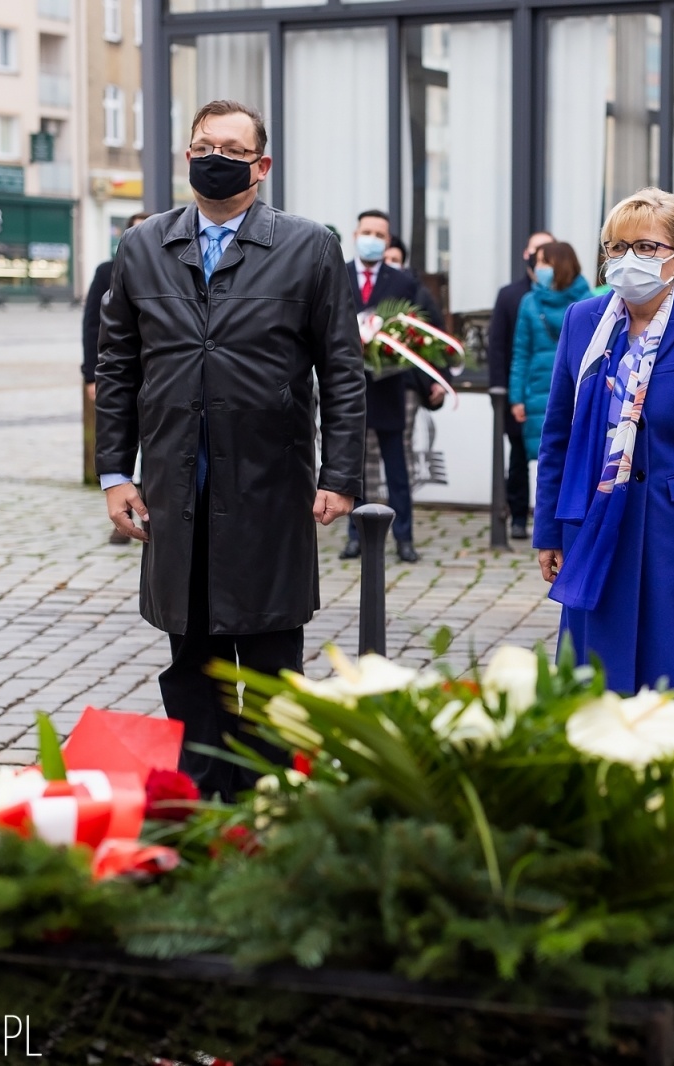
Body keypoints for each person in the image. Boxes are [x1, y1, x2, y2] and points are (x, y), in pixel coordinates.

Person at [95, 100, 367, 799]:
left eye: (231, 148)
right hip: (174, 488)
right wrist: (114, 473)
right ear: (187, 157)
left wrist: (339, 474)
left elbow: (341, 368)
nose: (215, 157)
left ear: (262, 165)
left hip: (269, 485)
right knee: (190, 660)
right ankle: (204, 795)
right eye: (202, 145)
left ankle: (271, 797)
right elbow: (118, 367)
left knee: (272, 658)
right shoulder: (143, 246)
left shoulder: (309, 248)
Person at [532, 188, 674, 720]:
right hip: (594, 524)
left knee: (673, 696)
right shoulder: (583, 322)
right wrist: (549, 532)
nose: (630, 259)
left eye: (647, 247)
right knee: (595, 694)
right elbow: (557, 431)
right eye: (617, 246)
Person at [340, 209, 447, 564]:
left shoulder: (401, 282)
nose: (372, 239)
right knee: (356, 468)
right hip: (349, 388)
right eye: (366, 231)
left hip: (390, 388)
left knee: (396, 467)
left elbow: (419, 333)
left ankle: (404, 538)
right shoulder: (337, 275)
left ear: (388, 242)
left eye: (380, 235)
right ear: (355, 235)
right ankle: (355, 536)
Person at [83, 211, 151, 546]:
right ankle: (124, 507)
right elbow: (94, 327)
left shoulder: (168, 268)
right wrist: (90, 374)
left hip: (156, 376)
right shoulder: (108, 271)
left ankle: (145, 507)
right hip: (123, 372)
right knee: (123, 436)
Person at [488, 230, 556, 540]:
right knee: (517, 458)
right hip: (522, 394)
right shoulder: (511, 295)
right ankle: (516, 516)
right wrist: (503, 393)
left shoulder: (569, 294)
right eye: (536, 251)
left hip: (553, 392)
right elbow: (501, 348)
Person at [510, 241, 594, 466]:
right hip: (537, 393)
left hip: (577, 392)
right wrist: (516, 398)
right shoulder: (529, 302)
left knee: (577, 461)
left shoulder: (590, 303)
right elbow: (521, 353)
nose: (538, 268)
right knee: (546, 464)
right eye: (538, 263)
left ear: (562, 265)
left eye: (544, 262)